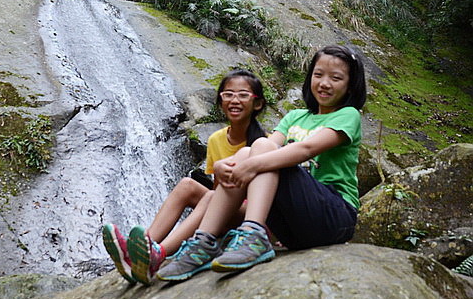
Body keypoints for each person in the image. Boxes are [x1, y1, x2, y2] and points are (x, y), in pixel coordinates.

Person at [157, 44, 366, 282]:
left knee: (262, 151)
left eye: (336, 78)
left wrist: (250, 165)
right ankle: (204, 241)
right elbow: (260, 148)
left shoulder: (348, 115)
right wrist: (225, 165)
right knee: (255, 149)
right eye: (318, 75)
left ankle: (252, 234)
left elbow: (305, 149)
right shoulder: (295, 117)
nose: (324, 83)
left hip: (334, 216)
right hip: (293, 228)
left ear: (350, 85)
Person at [102, 68, 267, 285]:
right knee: (187, 185)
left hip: (250, 216)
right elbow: (222, 191)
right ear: (219, 101)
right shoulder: (217, 139)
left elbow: (261, 195)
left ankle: (159, 254)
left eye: (243, 95)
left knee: (209, 197)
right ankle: (143, 248)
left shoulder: (265, 142)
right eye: (228, 94)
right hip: (222, 211)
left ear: (258, 103)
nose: (234, 100)